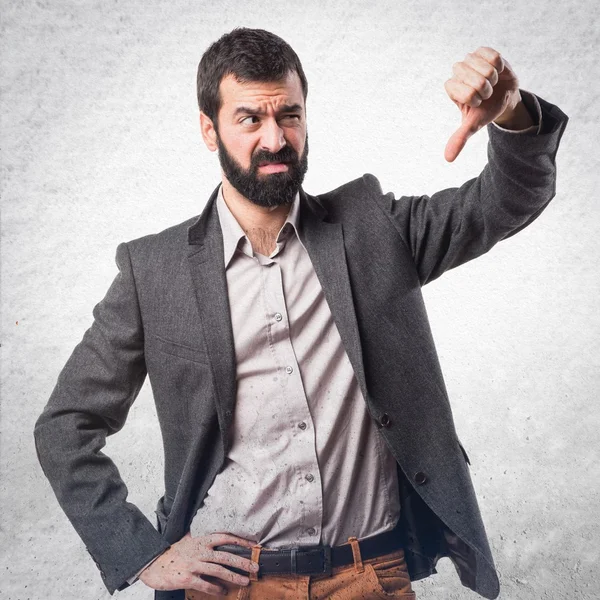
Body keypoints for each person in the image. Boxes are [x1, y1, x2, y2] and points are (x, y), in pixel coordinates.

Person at [34, 27, 568, 600]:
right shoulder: (154, 272)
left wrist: (511, 114)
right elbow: (66, 425)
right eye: (249, 120)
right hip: (227, 586)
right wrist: (141, 553)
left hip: (369, 576)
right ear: (208, 129)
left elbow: (506, 202)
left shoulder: (372, 231)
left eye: (289, 115)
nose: (275, 138)